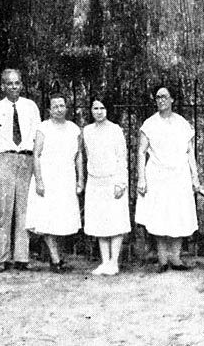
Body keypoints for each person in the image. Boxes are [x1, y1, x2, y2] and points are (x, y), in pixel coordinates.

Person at [135, 86, 200, 273]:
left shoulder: (182, 123)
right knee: (159, 216)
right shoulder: (149, 124)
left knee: (178, 215)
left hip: (179, 176)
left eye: (164, 97)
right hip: (157, 176)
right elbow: (141, 152)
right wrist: (142, 179)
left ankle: (176, 258)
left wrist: (195, 176)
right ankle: (162, 260)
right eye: (157, 97)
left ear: (172, 100)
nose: (161, 100)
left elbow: (190, 153)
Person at [0, 69, 41, 273]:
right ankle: (1, 257)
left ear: (22, 85)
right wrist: (5, 153)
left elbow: (37, 136)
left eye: (17, 83)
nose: (14, 87)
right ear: (3, 86)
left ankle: (22, 257)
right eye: (9, 84)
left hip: (26, 158)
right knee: (4, 209)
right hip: (5, 158)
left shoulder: (31, 107)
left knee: (24, 209)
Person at [25, 93, 84, 272]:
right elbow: (36, 155)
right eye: (55, 106)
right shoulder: (43, 128)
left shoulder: (74, 129)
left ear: (66, 107)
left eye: (62, 105)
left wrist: (80, 179)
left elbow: (79, 155)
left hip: (66, 178)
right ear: (49, 110)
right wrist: (39, 181)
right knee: (47, 218)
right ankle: (55, 259)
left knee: (63, 218)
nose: (59, 109)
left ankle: (59, 257)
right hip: (49, 176)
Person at [82, 97, 131, 276]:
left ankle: (114, 262)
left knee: (115, 221)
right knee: (99, 221)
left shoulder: (115, 130)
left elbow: (121, 158)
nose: (99, 111)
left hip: (113, 180)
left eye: (102, 108)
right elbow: (88, 156)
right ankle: (104, 261)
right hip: (95, 181)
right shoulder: (87, 131)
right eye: (95, 108)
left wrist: (120, 182)